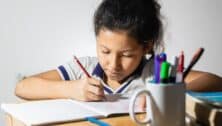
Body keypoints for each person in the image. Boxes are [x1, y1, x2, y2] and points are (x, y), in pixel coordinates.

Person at [15, 0, 222, 102]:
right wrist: (70, 89)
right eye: (105, 51)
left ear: (146, 46)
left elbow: (214, 81)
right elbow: (23, 87)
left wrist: (169, 92)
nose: (113, 65)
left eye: (126, 55)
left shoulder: (155, 73)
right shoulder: (84, 69)